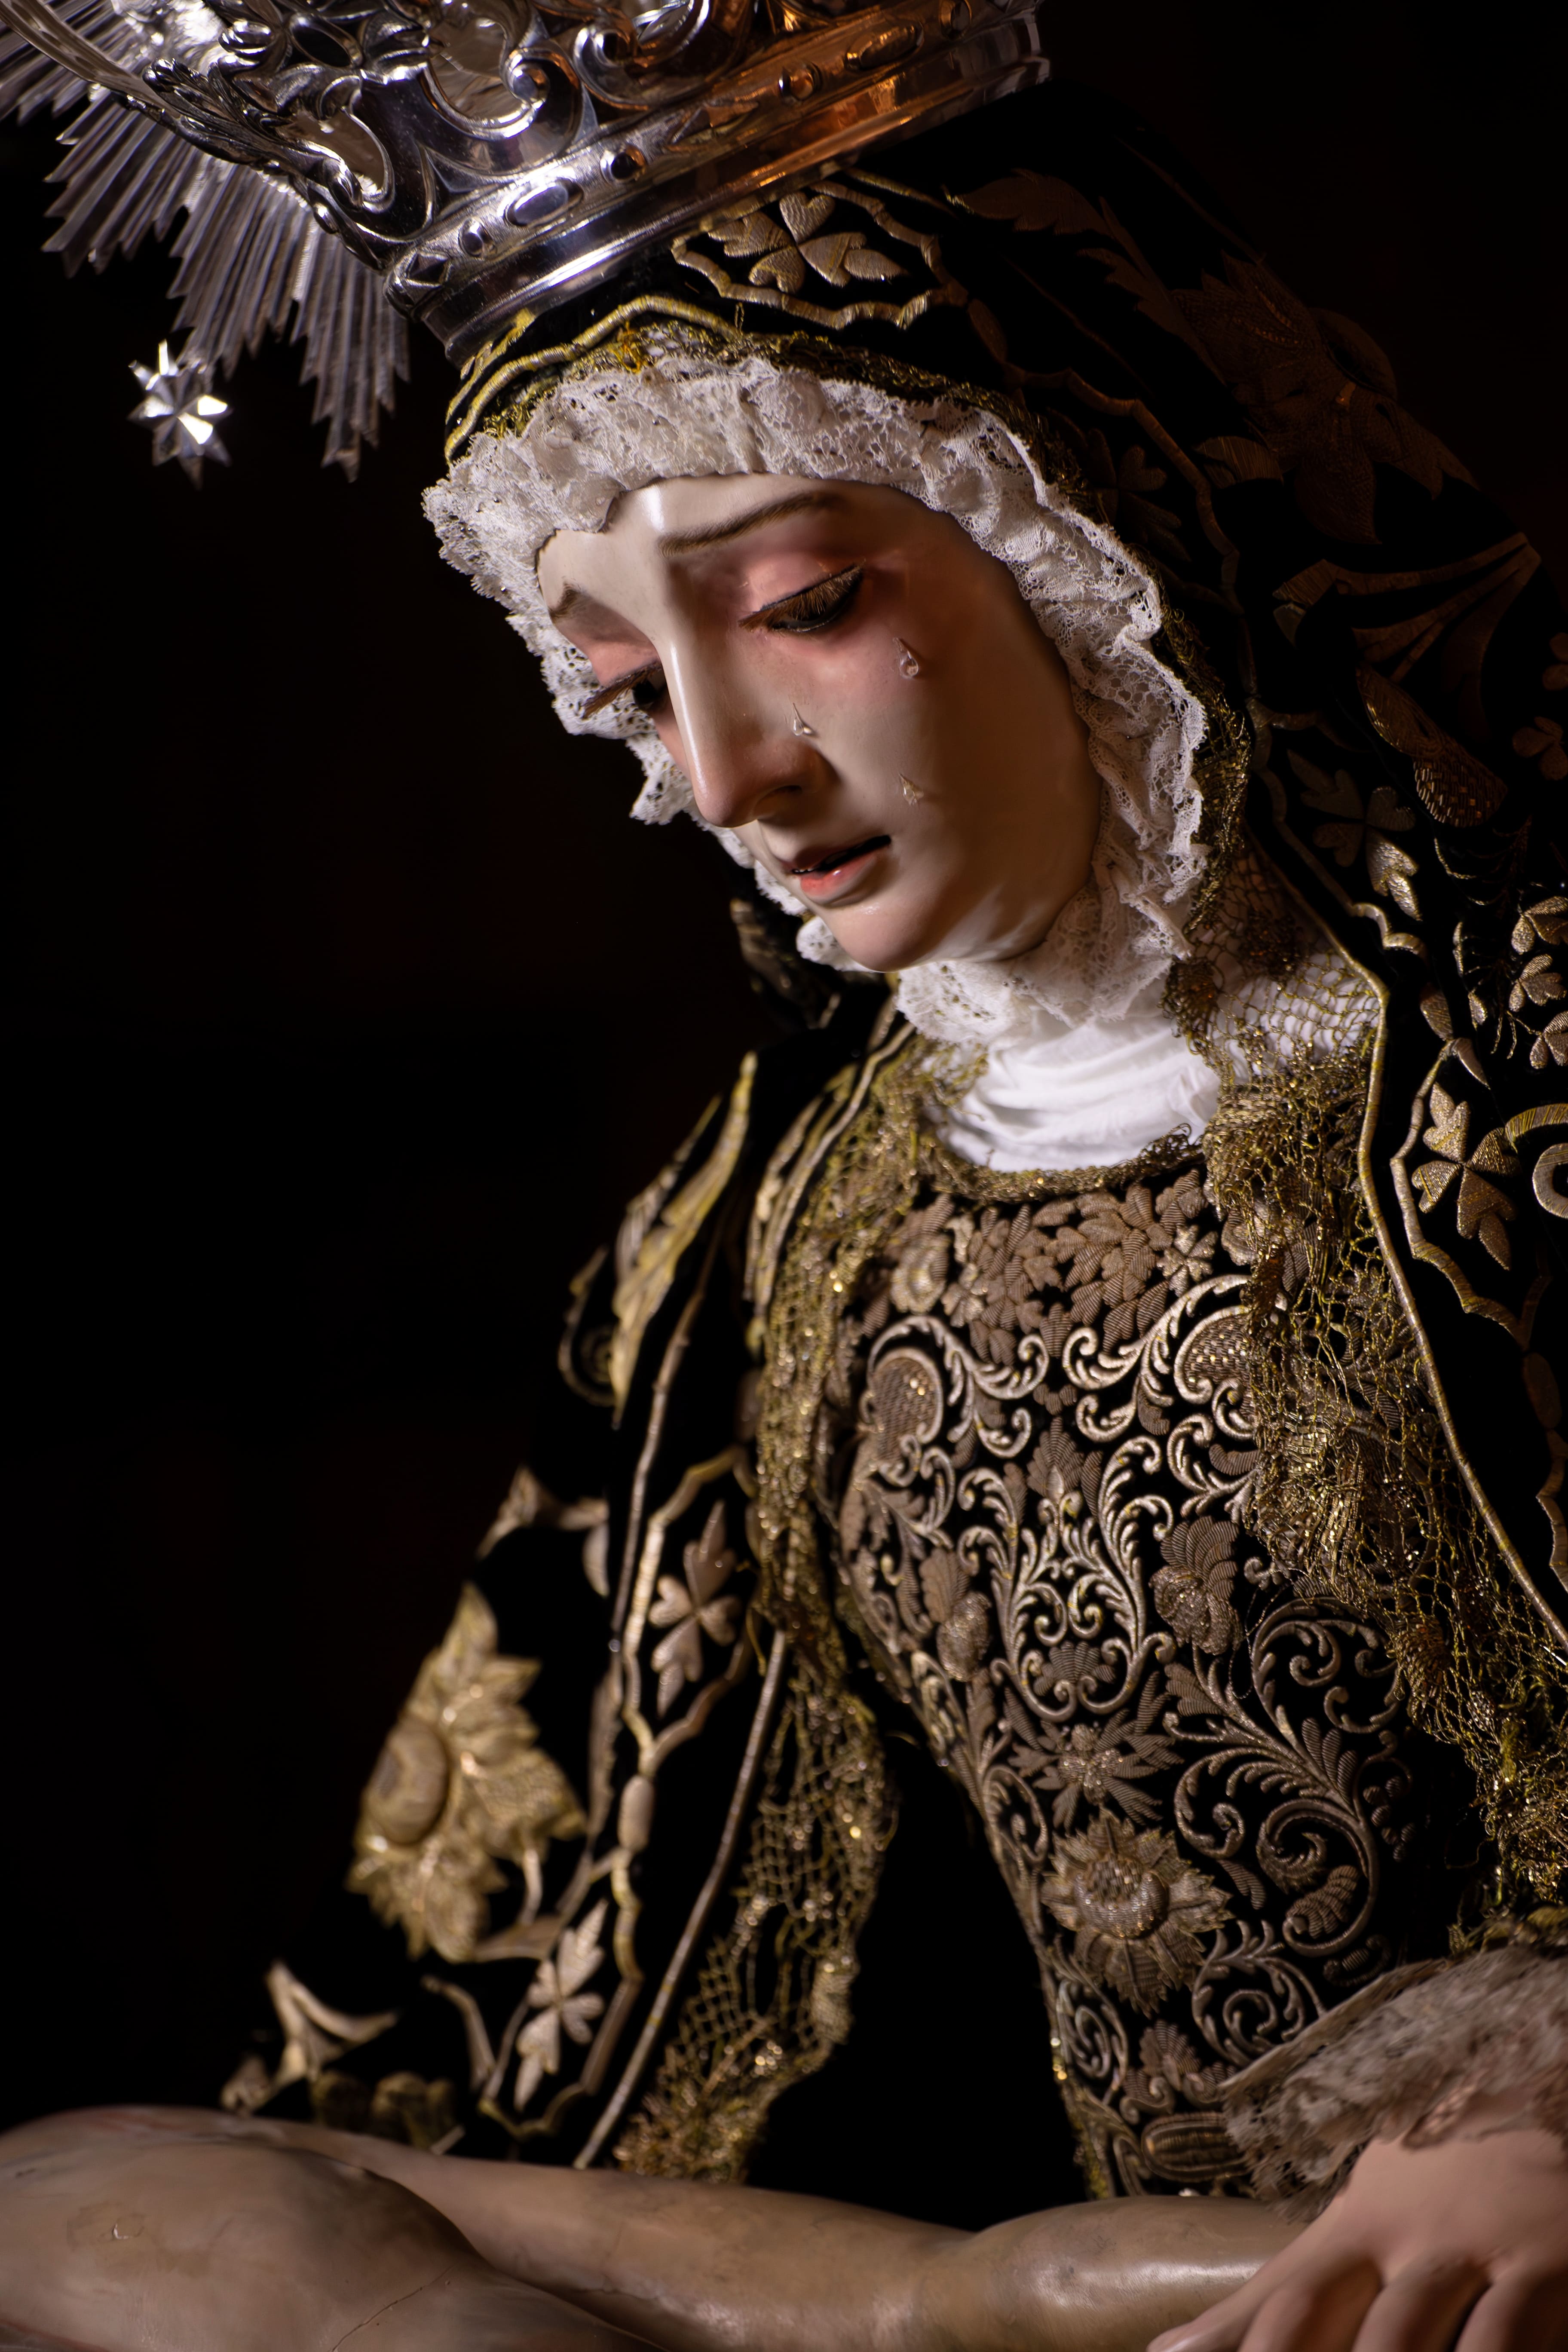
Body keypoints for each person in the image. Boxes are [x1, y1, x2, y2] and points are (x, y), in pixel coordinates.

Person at [0, 1, 1565, 2343]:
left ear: (1095, 514)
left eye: (809, 607)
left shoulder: (1510, 1085)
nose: (728, 776)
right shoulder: (782, 1213)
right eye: (632, 687)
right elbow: (529, 1972)